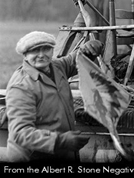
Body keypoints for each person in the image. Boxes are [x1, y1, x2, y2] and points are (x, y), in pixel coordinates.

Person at [6, 31, 103, 162]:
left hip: (61, 154)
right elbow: (20, 133)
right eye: (35, 50)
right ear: (25, 55)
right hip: (32, 157)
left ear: (52, 50)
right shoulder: (21, 86)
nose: (41, 55)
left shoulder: (56, 67)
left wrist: (88, 49)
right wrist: (60, 140)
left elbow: (73, 60)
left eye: (46, 49)